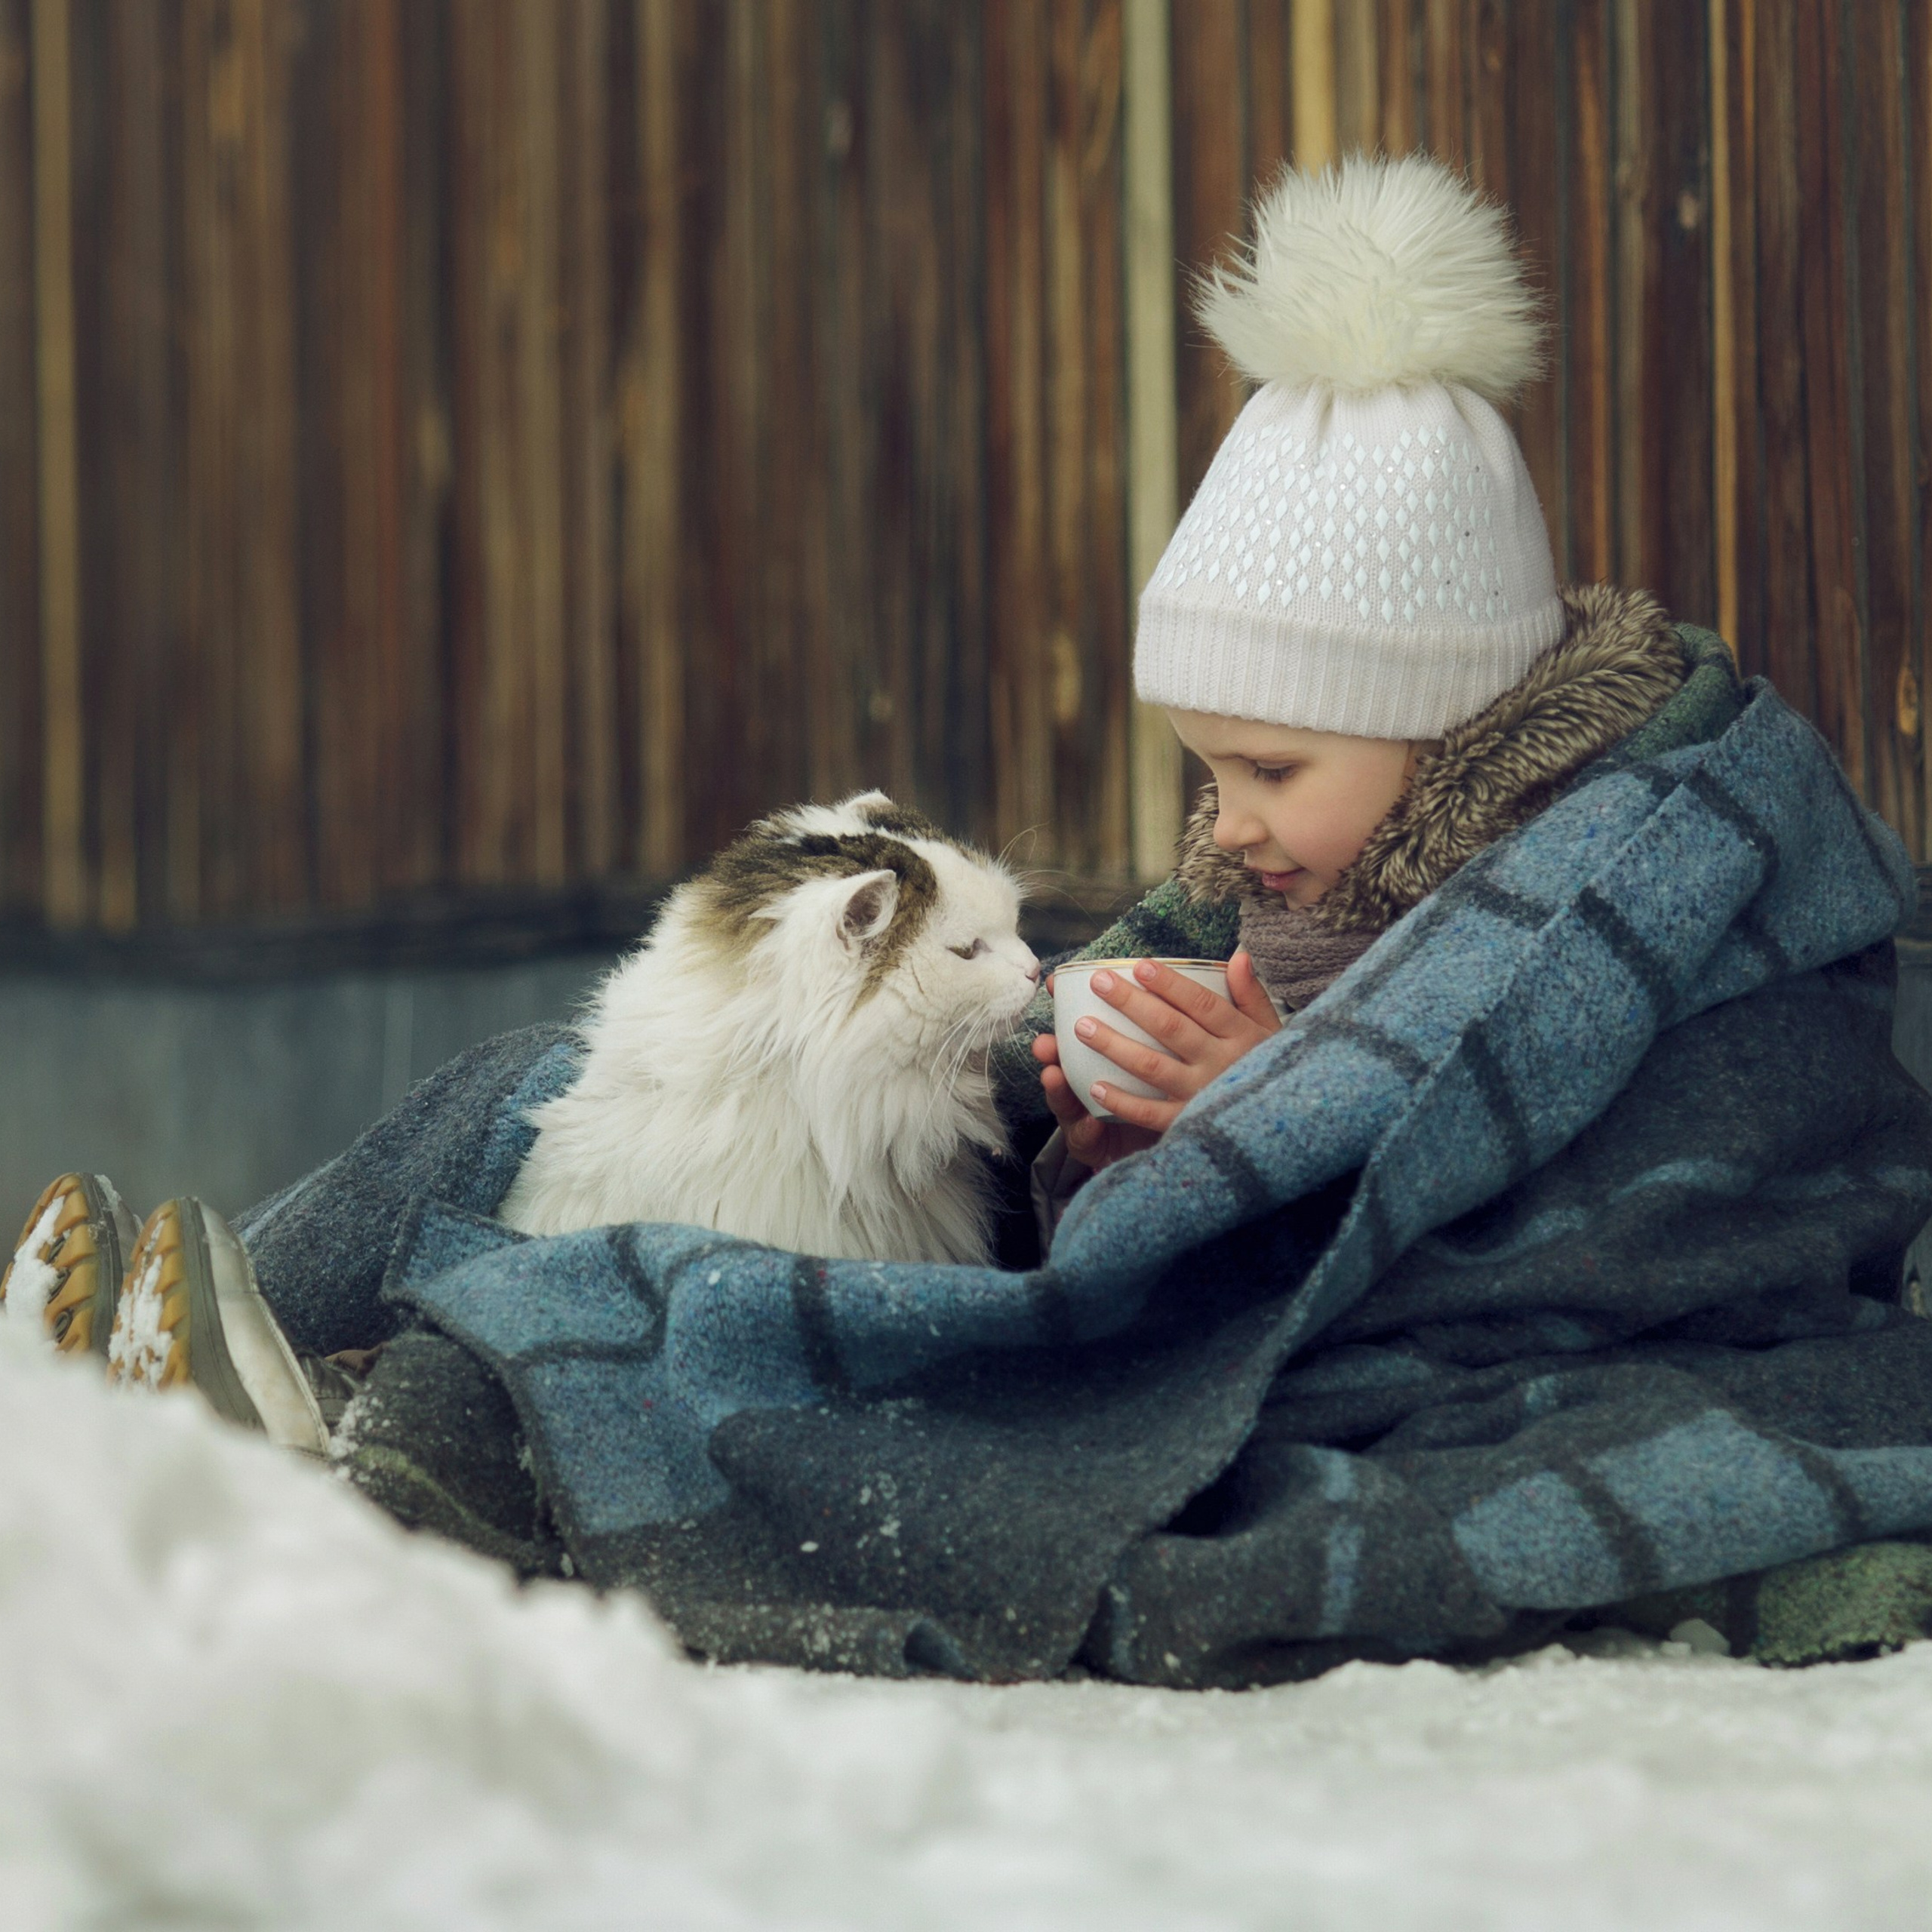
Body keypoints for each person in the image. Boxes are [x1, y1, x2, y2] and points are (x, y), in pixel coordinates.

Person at [11, 154, 1932, 1681]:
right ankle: (168, 1343)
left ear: (1442, 725)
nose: (1226, 823)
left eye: (1270, 771)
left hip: (1385, 1359)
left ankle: (358, 1447)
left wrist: (1281, 1122)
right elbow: (1132, 1126)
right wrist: (1105, 1135)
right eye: (1210, 765)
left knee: (685, 1317)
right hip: (1200, 1250)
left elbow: (1618, 1213)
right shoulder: (1308, 867)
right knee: (525, 1090)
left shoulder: (1645, 874)